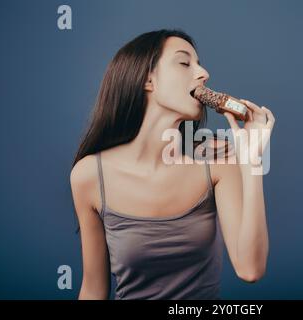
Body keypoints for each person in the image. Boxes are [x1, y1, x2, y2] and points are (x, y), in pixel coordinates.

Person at [70, 29, 275, 300]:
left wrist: (252, 161)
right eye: (184, 63)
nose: (204, 74)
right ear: (148, 79)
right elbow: (93, 290)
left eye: (199, 64)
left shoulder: (217, 159)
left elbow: (250, 269)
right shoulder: (88, 176)